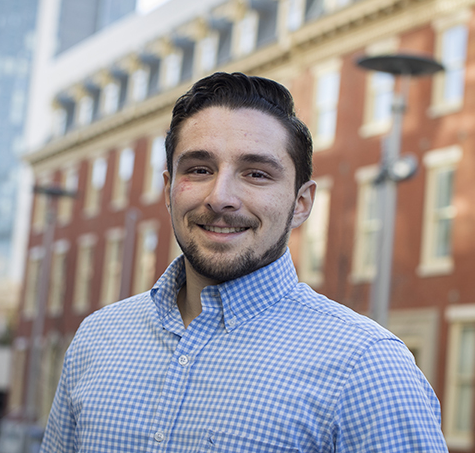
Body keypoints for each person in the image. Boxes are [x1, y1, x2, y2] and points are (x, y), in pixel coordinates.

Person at [41, 72, 447, 452]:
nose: (220, 197)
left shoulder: (367, 367)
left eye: (256, 174)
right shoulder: (97, 339)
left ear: (301, 203)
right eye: (199, 169)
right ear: (168, 190)